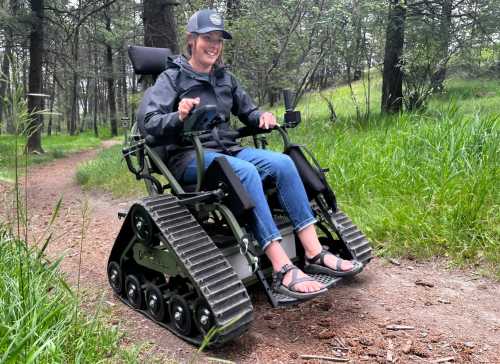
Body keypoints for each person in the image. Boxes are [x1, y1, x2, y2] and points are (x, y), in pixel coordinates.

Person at [142, 9, 363, 299]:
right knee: (242, 172)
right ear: (192, 40)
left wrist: (262, 117)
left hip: (227, 150)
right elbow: (148, 124)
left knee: (283, 163)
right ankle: (283, 268)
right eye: (208, 38)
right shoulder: (171, 79)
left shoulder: (224, 79)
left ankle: (314, 252)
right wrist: (179, 116)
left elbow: (248, 111)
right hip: (188, 157)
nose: (214, 45)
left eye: (219, 40)